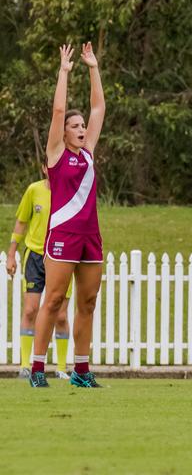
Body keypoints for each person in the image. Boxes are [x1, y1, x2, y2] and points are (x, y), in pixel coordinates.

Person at [29, 42, 105, 388]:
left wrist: (92, 67)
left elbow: (98, 107)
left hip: (91, 236)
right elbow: (58, 111)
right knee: (54, 300)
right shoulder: (57, 152)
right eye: (74, 126)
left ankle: (81, 370)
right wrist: (64, 71)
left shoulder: (88, 152)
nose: (80, 128)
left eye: (81, 126)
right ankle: (37, 368)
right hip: (62, 235)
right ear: (64, 132)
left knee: (87, 302)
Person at [6, 165, 72, 379]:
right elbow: (21, 223)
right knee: (30, 311)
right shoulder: (33, 190)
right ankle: (26, 365)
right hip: (35, 256)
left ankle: (61, 368)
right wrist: (10, 255)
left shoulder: (71, 192)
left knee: (61, 315)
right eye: (52, 166)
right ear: (45, 168)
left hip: (61, 257)